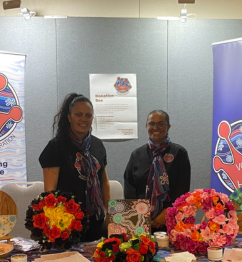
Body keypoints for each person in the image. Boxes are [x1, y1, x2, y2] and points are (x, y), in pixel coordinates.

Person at [39, 93, 110, 242]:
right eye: (78, 114)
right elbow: (49, 193)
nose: (84, 119)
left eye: (88, 115)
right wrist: (57, 225)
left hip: (96, 221)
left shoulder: (97, 145)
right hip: (68, 224)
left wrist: (110, 213)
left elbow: (104, 182)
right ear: (69, 117)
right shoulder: (56, 146)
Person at [124, 110, 191, 230]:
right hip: (140, 220)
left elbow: (182, 189)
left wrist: (166, 213)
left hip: (172, 219)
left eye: (161, 123)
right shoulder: (137, 154)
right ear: (146, 126)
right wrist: (141, 213)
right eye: (151, 124)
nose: (156, 127)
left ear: (168, 126)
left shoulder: (179, 153)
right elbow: (129, 187)